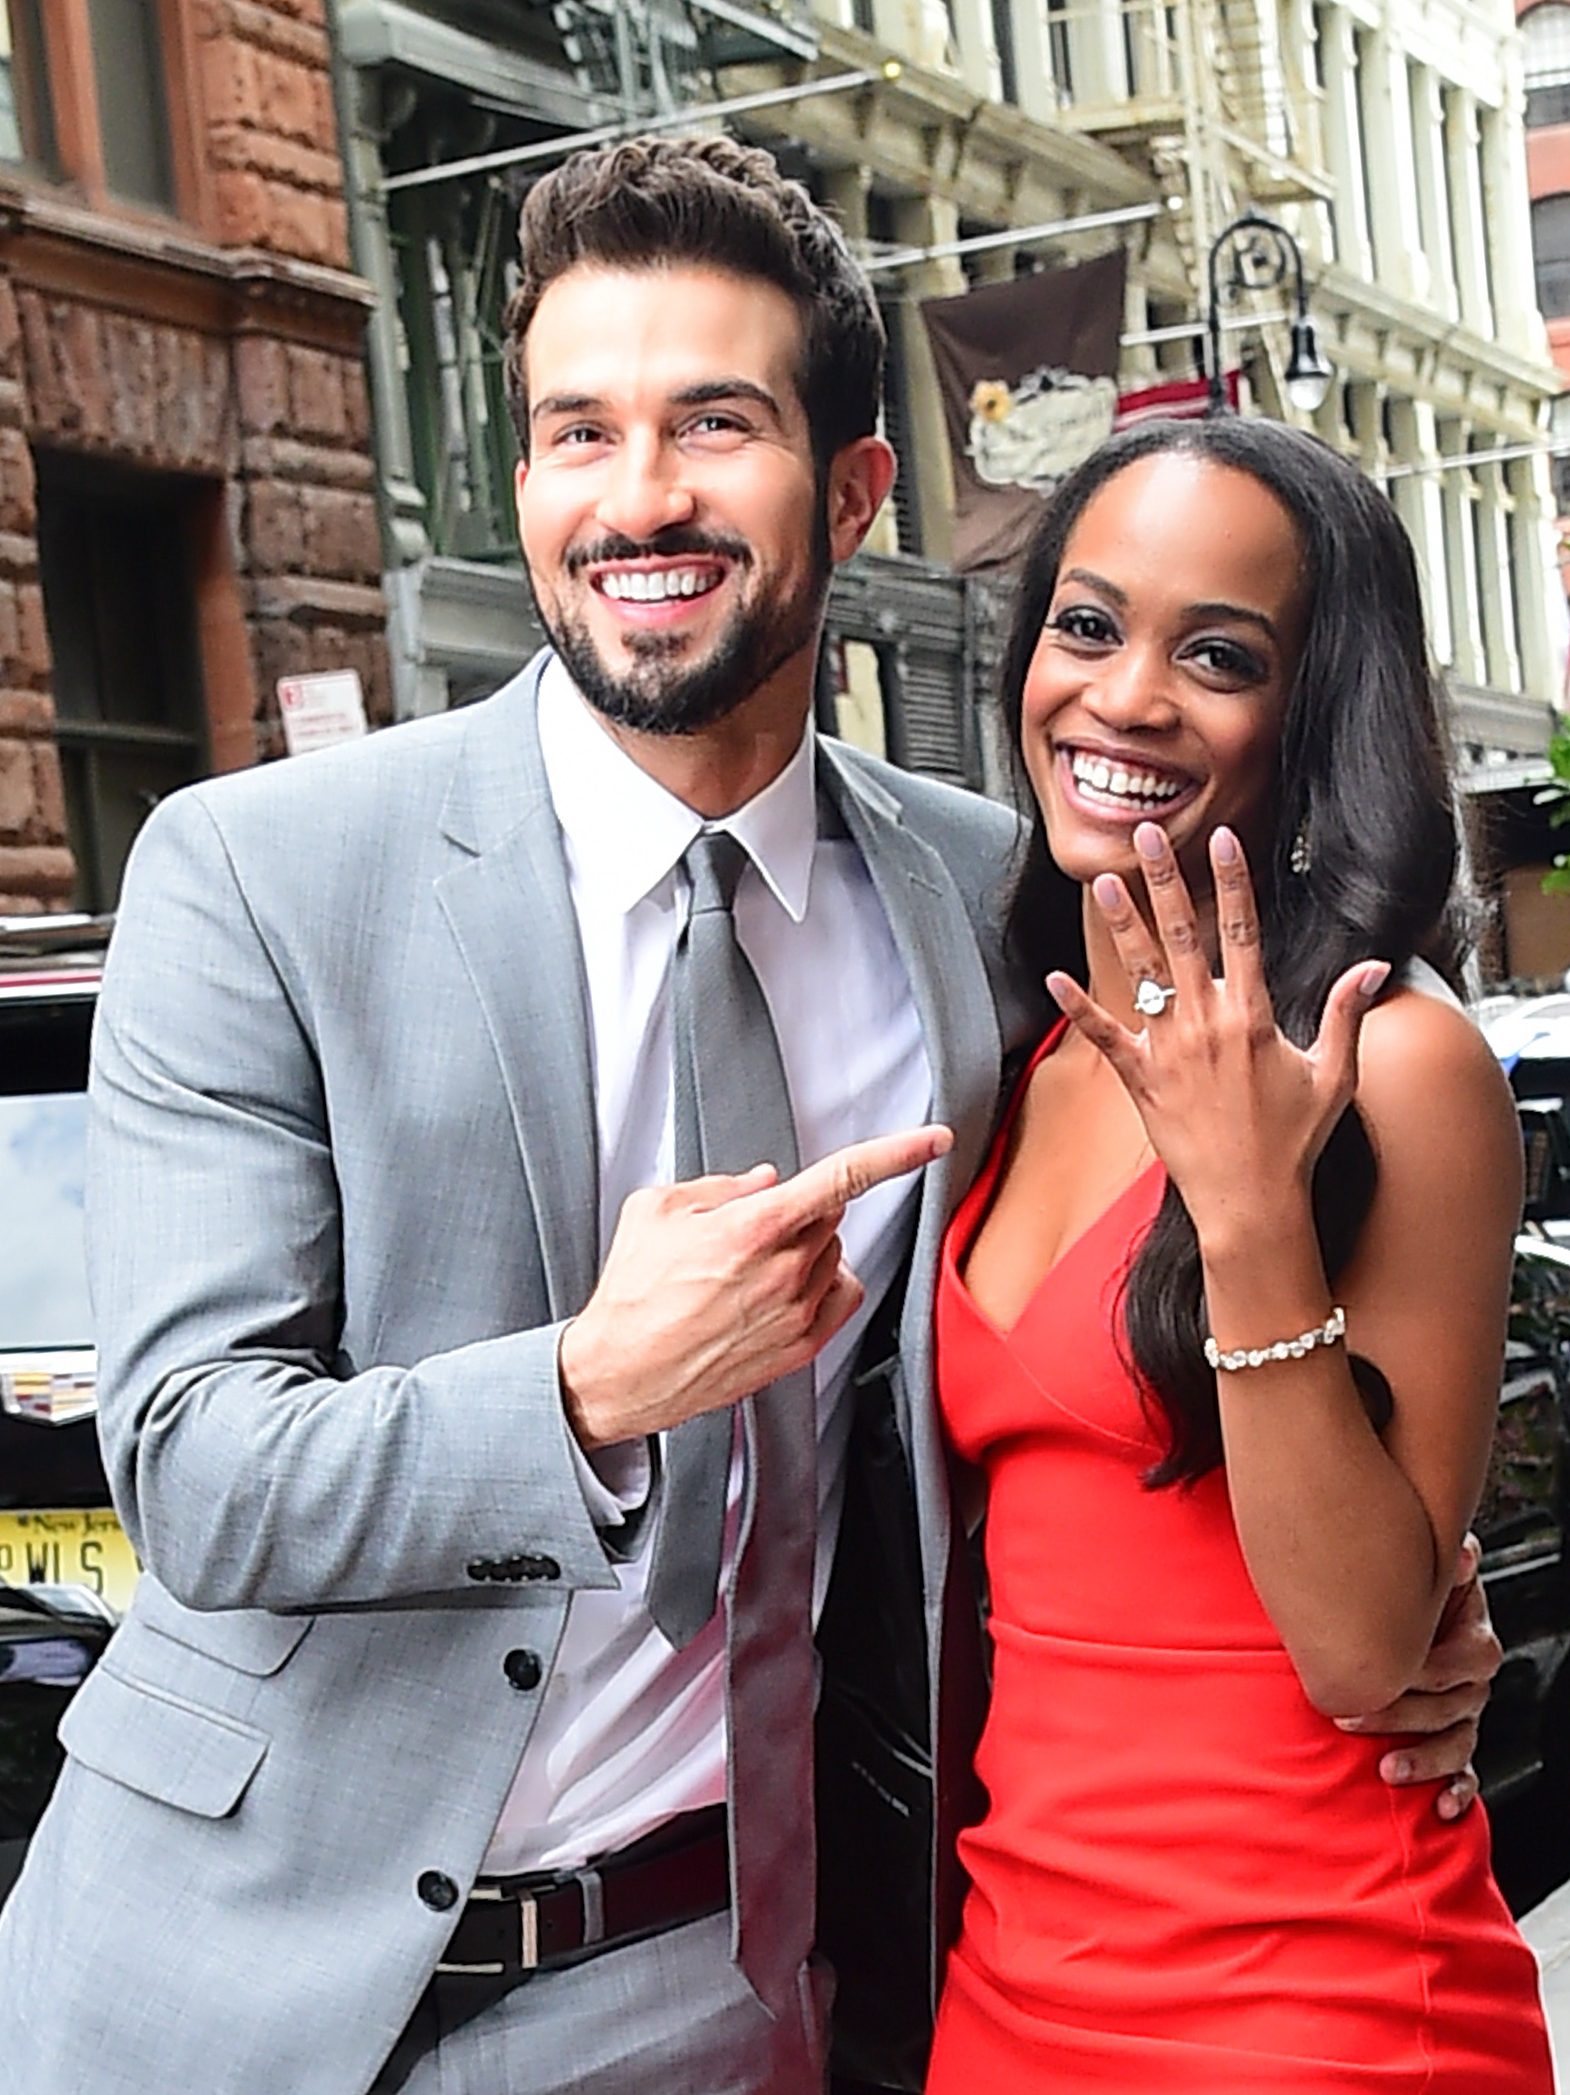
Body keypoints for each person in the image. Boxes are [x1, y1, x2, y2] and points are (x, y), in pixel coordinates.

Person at [0, 138, 1496, 2095]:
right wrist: (585, 1388)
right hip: (244, 1994)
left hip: (744, 1991)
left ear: (857, 489)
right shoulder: (259, 872)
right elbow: (194, 1476)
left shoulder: (987, 909)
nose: (638, 500)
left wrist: (1410, 1602)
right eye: (573, 431)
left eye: (712, 424)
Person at [926, 415, 1552, 2092]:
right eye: (1084, 623)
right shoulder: (1020, 1049)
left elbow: (1361, 1649)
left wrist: (1247, 1210)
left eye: (1215, 654)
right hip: (1009, 1990)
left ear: (1309, 715)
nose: (1122, 697)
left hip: (1317, 2004)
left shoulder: (1393, 1063)